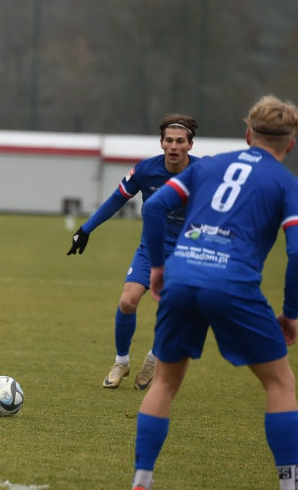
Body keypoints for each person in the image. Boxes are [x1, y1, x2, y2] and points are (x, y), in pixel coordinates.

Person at [129, 96, 298, 490]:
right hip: (232, 283)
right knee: (280, 382)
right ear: (291, 144)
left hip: (183, 275)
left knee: (164, 381)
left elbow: (154, 207)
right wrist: (291, 312)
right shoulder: (287, 184)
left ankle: (140, 484)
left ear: (247, 135)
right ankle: (292, 489)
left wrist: (159, 267)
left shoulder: (206, 166)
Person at [67, 114, 199, 390]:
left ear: (190, 145)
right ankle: (121, 362)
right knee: (127, 302)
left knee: (173, 311)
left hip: (186, 253)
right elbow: (117, 199)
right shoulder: (146, 170)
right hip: (150, 250)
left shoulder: (203, 173)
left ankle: (154, 357)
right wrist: (86, 229)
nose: (174, 146)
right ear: (161, 143)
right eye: (169, 140)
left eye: (180, 141)